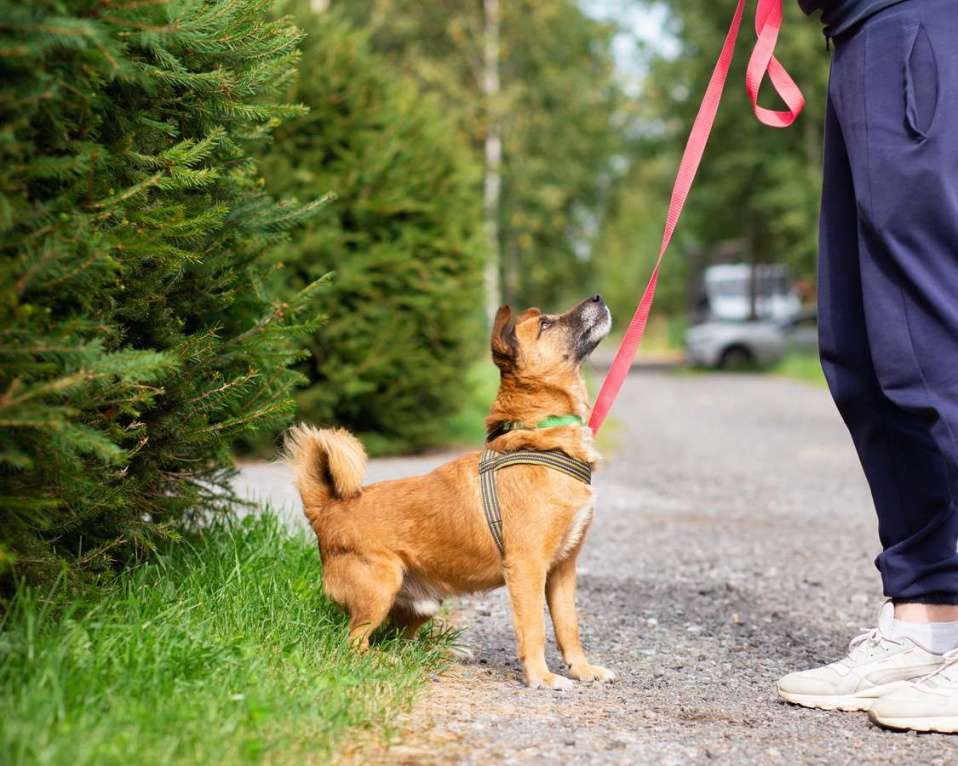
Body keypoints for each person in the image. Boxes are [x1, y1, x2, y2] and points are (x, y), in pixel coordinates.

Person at [775, 0, 958, 732]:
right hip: (859, 31)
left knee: (935, 336)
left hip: (915, 15)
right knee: (863, 346)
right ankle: (928, 618)